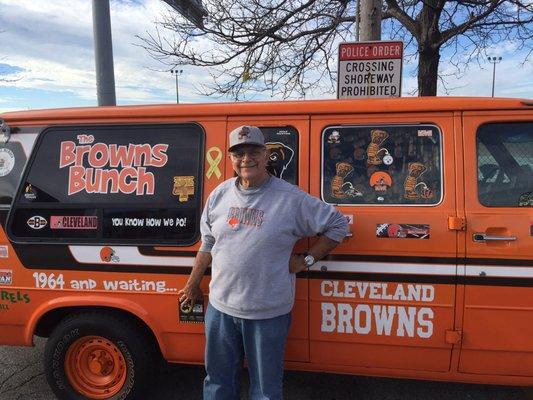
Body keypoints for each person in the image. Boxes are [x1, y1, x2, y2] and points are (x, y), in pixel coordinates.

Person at [178, 125, 349, 400]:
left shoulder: (290, 198)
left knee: (265, 391)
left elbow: (338, 224)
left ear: (266, 155)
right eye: (239, 153)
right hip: (220, 309)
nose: (246, 159)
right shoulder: (219, 195)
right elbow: (208, 242)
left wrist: (306, 259)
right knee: (217, 383)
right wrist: (192, 284)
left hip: (267, 314)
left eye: (253, 151)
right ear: (231, 159)